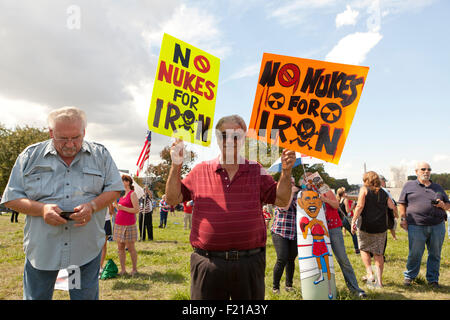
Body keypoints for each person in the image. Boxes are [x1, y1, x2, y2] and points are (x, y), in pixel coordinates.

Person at [165, 114, 296, 300]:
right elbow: (171, 199)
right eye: (224, 135)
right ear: (217, 139)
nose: (230, 140)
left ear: (243, 139)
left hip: (249, 264)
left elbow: (282, 200)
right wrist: (176, 164)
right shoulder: (199, 171)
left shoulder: (256, 170)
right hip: (207, 263)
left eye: (237, 135)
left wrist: (286, 171)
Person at [0, 106, 124, 300]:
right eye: (62, 138)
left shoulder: (101, 155)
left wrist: (92, 206)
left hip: (84, 251)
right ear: (51, 133)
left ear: (84, 132)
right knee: (37, 297)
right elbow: (11, 198)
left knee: (83, 298)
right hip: (43, 250)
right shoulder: (30, 156)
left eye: (75, 137)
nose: (70, 144)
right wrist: (42, 209)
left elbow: (115, 188)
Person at [304, 172, 366, 297]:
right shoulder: (305, 193)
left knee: (342, 259)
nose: (309, 180)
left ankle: (355, 288)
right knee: (318, 261)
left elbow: (336, 205)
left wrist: (324, 199)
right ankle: (321, 292)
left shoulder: (324, 189)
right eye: (306, 178)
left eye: (311, 178)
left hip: (333, 228)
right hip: (317, 232)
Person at [398, 162, 449, 288]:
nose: (426, 171)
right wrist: (403, 218)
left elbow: (448, 205)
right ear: (416, 171)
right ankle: (410, 276)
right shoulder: (409, 185)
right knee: (415, 252)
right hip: (416, 225)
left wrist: (443, 205)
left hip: (437, 225)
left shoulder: (438, 187)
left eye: (429, 169)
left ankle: (433, 279)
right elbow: (402, 203)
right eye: (423, 169)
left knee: (435, 253)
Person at [351, 171, 396, 288]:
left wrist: (353, 220)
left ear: (366, 180)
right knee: (378, 254)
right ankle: (379, 282)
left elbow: (360, 206)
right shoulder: (384, 192)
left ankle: (370, 273)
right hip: (380, 227)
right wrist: (396, 217)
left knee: (364, 249)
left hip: (365, 226)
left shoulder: (364, 190)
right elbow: (392, 207)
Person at [271, 177, 299, 294]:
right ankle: (275, 287)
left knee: (291, 259)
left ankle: (289, 285)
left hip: (293, 232)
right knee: (282, 258)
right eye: (289, 182)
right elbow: (284, 208)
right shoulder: (279, 195)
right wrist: (291, 193)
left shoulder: (298, 197)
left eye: (293, 182)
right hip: (280, 231)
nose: (292, 184)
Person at [113, 174, 140, 276]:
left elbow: (136, 210)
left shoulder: (132, 194)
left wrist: (122, 208)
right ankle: (123, 270)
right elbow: (119, 208)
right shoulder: (122, 195)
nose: (121, 182)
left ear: (128, 182)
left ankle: (134, 269)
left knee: (130, 247)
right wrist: (116, 206)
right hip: (119, 223)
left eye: (123, 181)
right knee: (120, 247)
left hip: (129, 224)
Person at [336, 187, 359, 254]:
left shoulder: (339, 200)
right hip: (346, 219)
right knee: (353, 234)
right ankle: (357, 250)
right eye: (345, 192)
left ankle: (339, 249)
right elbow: (348, 211)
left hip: (340, 219)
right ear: (343, 193)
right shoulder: (345, 199)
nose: (346, 193)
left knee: (339, 235)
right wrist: (352, 205)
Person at [100, 203, 115, 273]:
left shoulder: (107, 197)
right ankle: (98, 266)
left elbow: (111, 212)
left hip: (105, 221)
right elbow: (111, 212)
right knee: (101, 245)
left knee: (103, 245)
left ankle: (100, 266)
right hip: (99, 221)